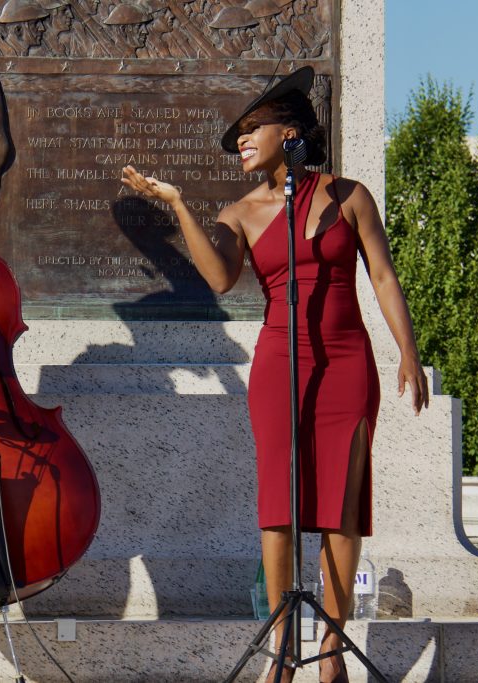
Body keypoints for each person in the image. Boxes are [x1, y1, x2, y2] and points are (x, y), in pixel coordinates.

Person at [121, 67, 428, 683]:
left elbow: (384, 278)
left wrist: (409, 352)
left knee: (340, 506)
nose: (239, 141)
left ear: (289, 133)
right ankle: (284, 645)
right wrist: (179, 204)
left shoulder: (351, 196)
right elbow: (216, 279)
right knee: (280, 507)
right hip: (279, 365)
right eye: (236, 134)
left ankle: (333, 649)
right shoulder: (240, 212)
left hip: (346, 362)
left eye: (249, 130)